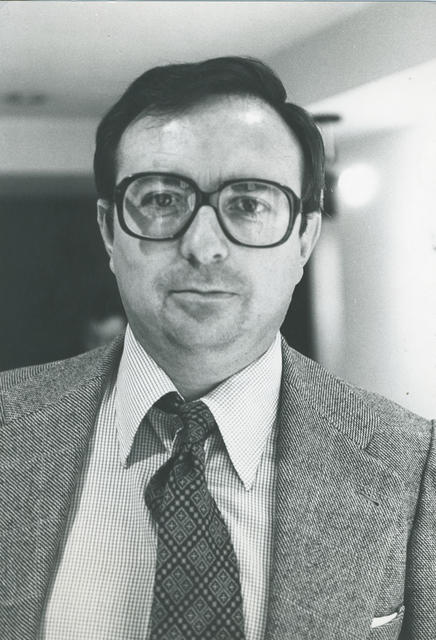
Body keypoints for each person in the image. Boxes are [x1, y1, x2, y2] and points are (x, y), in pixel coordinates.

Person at [0, 57, 434, 640]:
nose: (203, 247)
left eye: (249, 203)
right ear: (108, 230)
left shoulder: (412, 466)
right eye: (161, 200)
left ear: (304, 238)